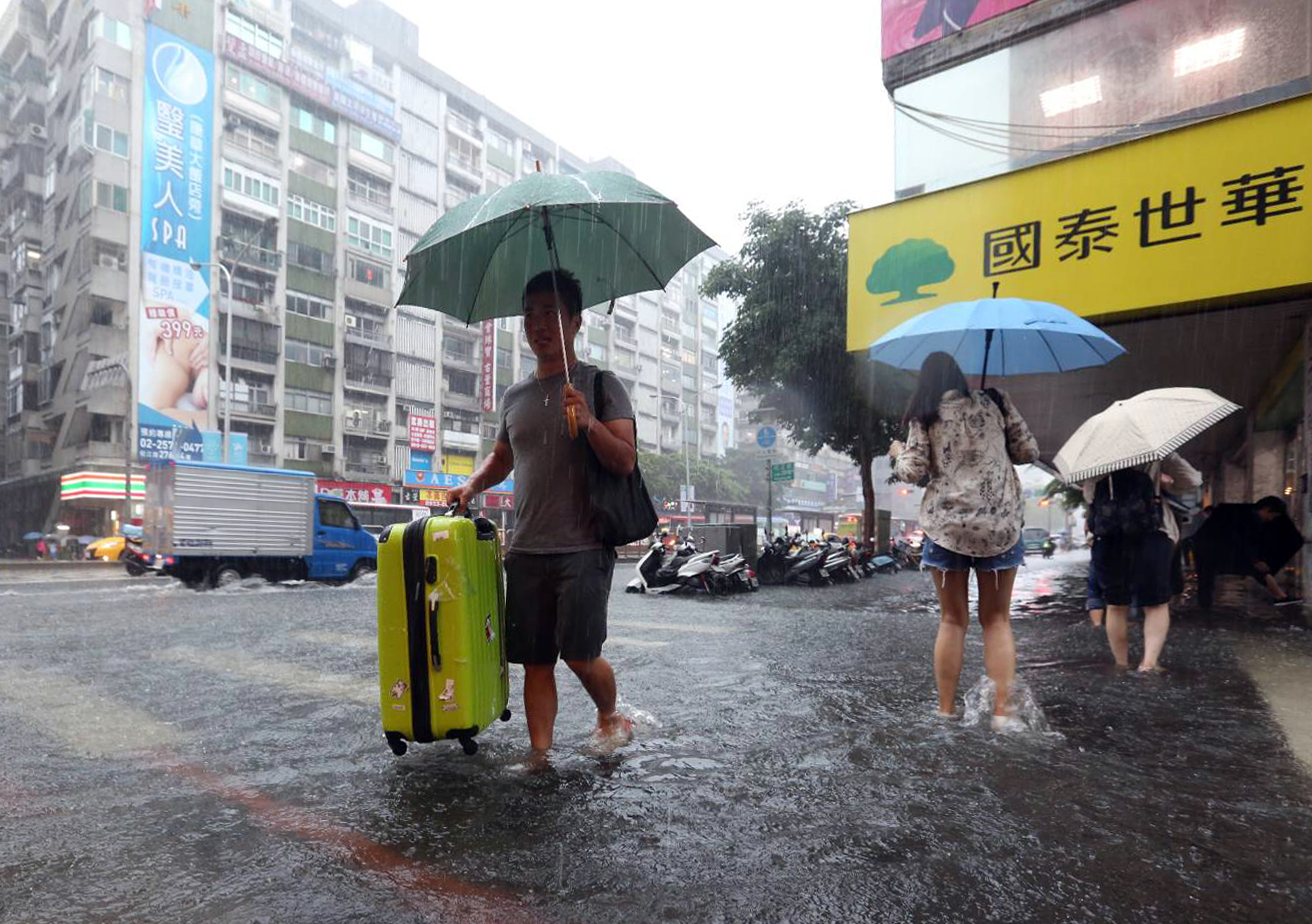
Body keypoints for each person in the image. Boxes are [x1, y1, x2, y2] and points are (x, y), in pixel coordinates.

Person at [447, 269, 636, 763]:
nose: (538, 324)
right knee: (534, 661)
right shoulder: (515, 396)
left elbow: (625, 459)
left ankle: (609, 714)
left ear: (575, 321)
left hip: (585, 545)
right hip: (527, 548)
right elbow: (502, 457)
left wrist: (589, 422)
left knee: (580, 655)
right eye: (529, 314)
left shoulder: (601, 385)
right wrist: (472, 484)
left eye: (551, 312)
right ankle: (539, 756)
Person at [889, 351, 1039, 729]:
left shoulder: (925, 414)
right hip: (998, 526)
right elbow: (1028, 452)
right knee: (997, 619)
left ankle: (945, 710)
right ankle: (1002, 715)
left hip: (947, 529)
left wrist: (898, 453)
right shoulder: (997, 400)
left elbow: (913, 470)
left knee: (952, 620)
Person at [1083, 452, 1201, 672]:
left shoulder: (1095, 453)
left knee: (1116, 605)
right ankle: (1148, 664)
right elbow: (1192, 480)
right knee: (1155, 604)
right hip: (1152, 533)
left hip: (1109, 536)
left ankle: (1121, 664)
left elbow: (1090, 496)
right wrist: (1166, 487)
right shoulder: (1155, 450)